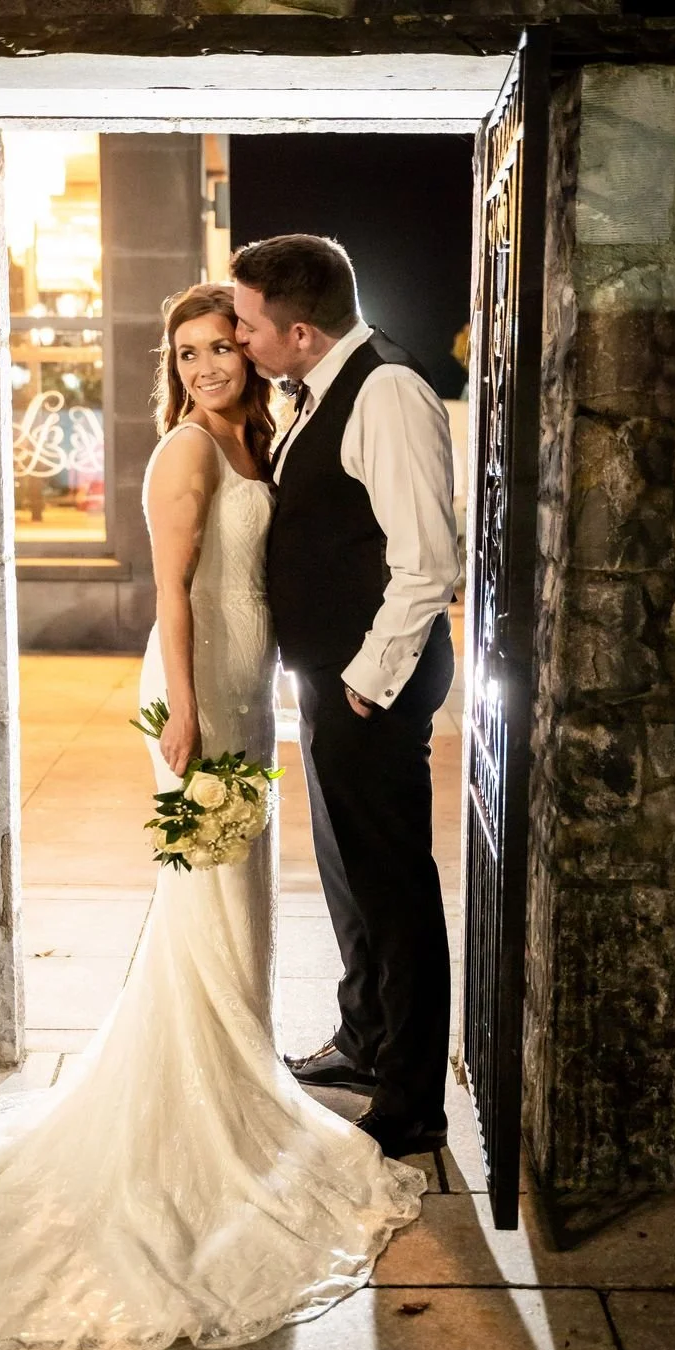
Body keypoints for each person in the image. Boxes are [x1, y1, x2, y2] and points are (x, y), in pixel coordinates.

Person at [0, 284, 426, 1350]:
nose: (206, 367)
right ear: (171, 367)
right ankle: (204, 1105)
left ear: (251, 350)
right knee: (205, 894)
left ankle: (236, 1079)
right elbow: (172, 594)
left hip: (245, 687)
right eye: (185, 353)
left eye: (220, 346)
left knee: (239, 895)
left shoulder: (262, 440)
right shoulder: (185, 451)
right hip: (199, 689)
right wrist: (184, 710)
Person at [231, 235, 460, 1161]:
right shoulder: (320, 388)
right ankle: (363, 1040)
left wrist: (366, 681)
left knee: (394, 887)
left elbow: (427, 562)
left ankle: (411, 1098)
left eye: (246, 325)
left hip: (375, 683)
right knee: (348, 875)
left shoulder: (387, 390)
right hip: (335, 678)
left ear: (298, 330)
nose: (239, 340)